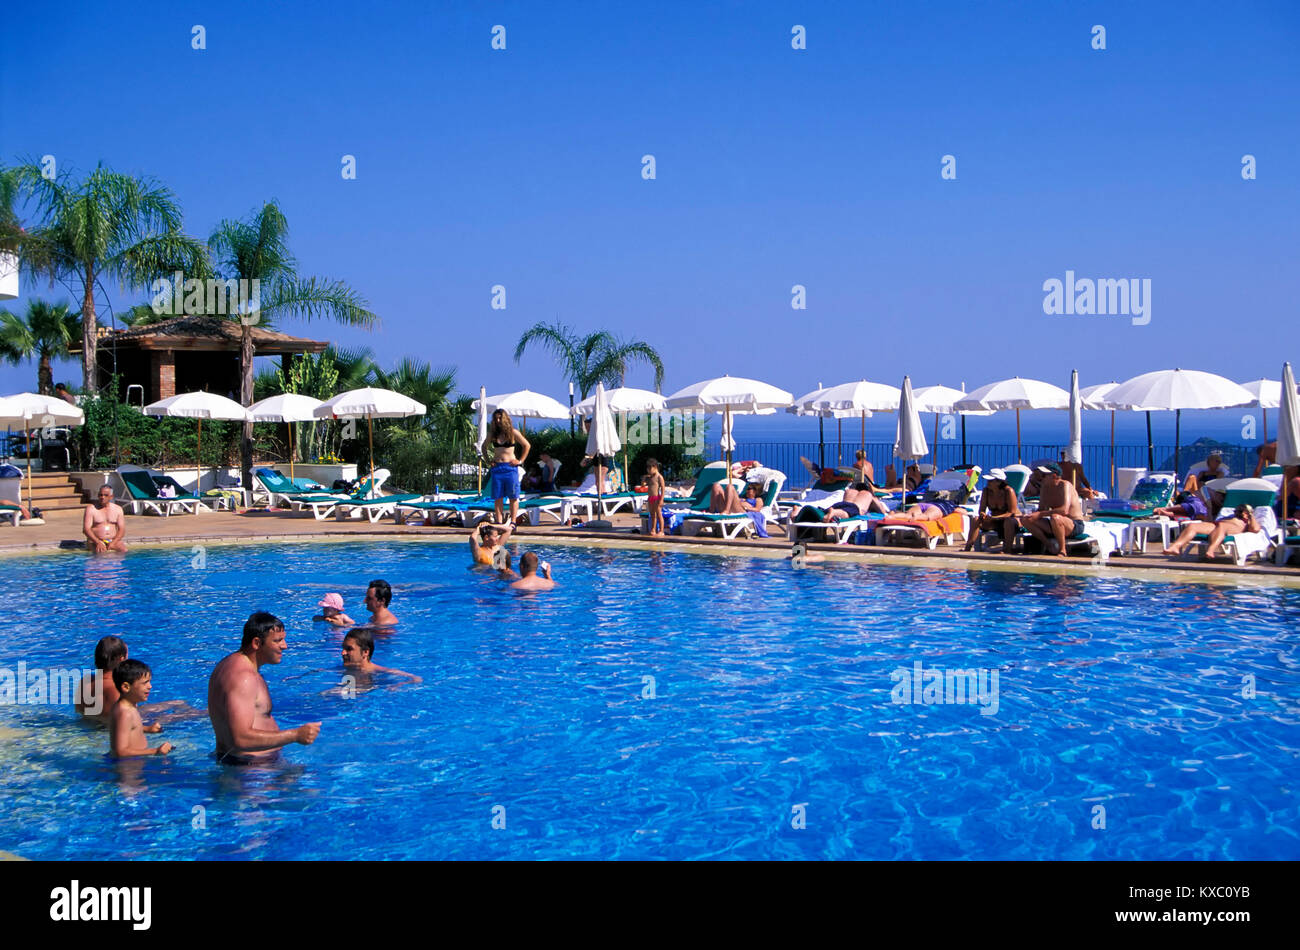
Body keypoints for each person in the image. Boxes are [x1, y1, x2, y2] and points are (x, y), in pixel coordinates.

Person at [207, 612, 321, 764]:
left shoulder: (229, 664)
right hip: (250, 772)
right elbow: (240, 738)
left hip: (245, 765)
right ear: (256, 643)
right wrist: (295, 735)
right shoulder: (243, 678)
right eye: (277, 641)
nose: (285, 646)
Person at [109, 660, 173, 758]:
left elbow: (128, 729)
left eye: (150, 682)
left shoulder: (129, 705)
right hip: (128, 767)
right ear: (126, 687)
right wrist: (155, 751)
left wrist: (147, 729)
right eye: (145, 683)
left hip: (134, 760)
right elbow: (120, 751)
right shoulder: (125, 713)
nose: (150, 686)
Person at [1020, 463, 1085, 557]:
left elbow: (1064, 511)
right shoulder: (1045, 488)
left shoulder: (1065, 485)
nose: (1041, 478)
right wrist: (1032, 515)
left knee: (1056, 517)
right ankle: (1048, 545)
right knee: (1026, 519)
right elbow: (1041, 510)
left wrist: (1040, 514)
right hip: (1054, 523)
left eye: (1044, 475)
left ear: (1054, 476)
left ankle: (1062, 550)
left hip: (1074, 524)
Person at [1164, 504, 1262, 560]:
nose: (1238, 512)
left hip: (1233, 528)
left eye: (1242, 511)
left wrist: (1250, 515)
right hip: (1218, 524)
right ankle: (1175, 547)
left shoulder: (1248, 521)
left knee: (1222, 526)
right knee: (1192, 526)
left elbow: (1255, 529)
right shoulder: (1231, 517)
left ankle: (1211, 550)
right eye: (1238, 511)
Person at [487, 408, 530, 525]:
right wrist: (488, 461)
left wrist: (520, 460)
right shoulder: (493, 435)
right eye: (496, 418)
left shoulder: (513, 433)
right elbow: (483, 447)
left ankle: (513, 521)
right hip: (497, 468)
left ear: (505, 419)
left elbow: (527, 445)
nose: (498, 420)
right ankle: (499, 522)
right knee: (498, 497)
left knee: (513, 496)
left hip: (510, 468)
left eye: (500, 418)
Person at [964, 468, 1020, 551]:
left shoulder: (1008, 491)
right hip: (995, 521)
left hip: (1011, 520)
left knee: (1009, 521)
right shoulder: (986, 491)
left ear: (999, 482)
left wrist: (995, 518)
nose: (988, 483)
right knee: (976, 519)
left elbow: (1012, 512)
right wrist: (983, 514)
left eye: (990, 481)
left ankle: (1008, 549)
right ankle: (968, 547)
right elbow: (981, 509)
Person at [76, 635, 131, 719]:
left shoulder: (85, 681)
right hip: (106, 731)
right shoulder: (116, 687)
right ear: (121, 659)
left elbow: (78, 711)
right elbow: (124, 721)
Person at [341, 629, 420, 681]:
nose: (343, 653)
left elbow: (416, 679)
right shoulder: (348, 668)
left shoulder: (378, 672)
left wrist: (398, 686)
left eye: (349, 649)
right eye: (343, 648)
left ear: (365, 652)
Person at [83, 484, 127, 553]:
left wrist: (113, 542)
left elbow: (122, 530)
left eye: (106, 495)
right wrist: (97, 542)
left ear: (111, 497)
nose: (102, 497)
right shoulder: (91, 509)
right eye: (100, 495)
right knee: (101, 553)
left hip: (112, 540)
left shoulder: (118, 509)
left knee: (124, 550)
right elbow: (86, 529)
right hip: (95, 540)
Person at [640, 458, 666, 536]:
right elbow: (643, 485)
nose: (648, 471)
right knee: (652, 514)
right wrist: (644, 478)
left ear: (655, 467)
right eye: (647, 469)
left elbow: (663, 488)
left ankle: (661, 530)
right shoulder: (650, 477)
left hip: (657, 497)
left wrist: (661, 500)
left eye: (650, 469)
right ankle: (653, 529)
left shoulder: (659, 477)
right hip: (651, 497)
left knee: (659, 514)